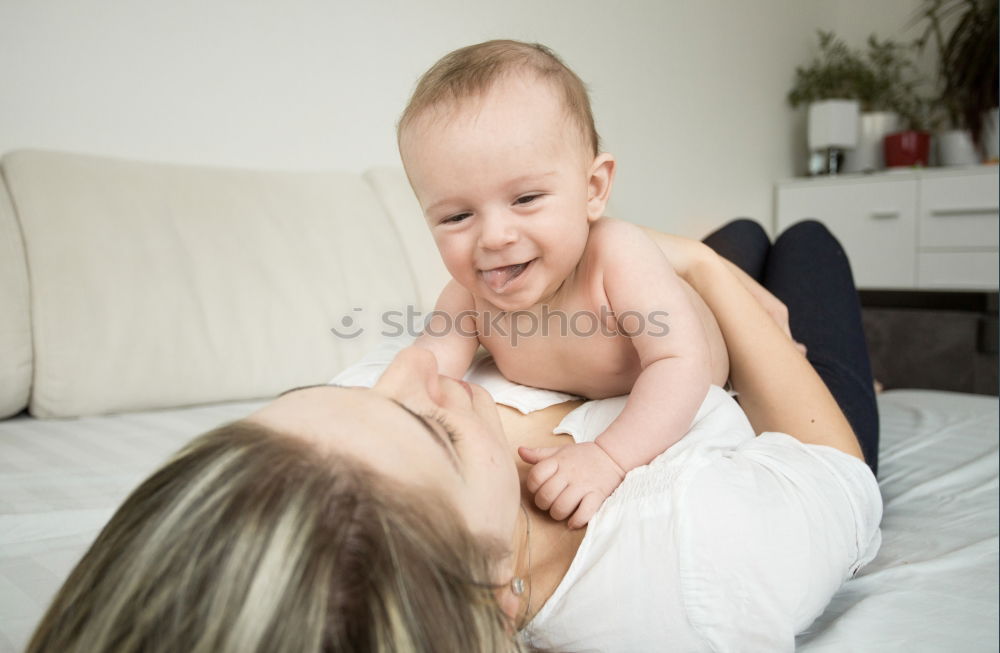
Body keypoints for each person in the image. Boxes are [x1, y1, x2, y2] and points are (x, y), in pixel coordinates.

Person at [26, 217, 882, 652]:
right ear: (496, 595)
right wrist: (697, 270)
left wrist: (655, 271)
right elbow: (836, 472)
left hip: (650, 341)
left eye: (311, 396)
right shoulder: (701, 564)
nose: (408, 373)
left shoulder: (369, 430)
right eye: (429, 429)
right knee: (805, 244)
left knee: (737, 236)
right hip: (767, 404)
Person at [400, 40, 731, 529]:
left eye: (526, 198)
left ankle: (737, 262)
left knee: (770, 260)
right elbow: (430, 364)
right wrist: (390, 413)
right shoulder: (470, 296)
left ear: (593, 189)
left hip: (718, 326)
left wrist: (610, 457)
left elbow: (682, 363)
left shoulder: (616, 255)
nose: (494, 237)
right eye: (457, 215)